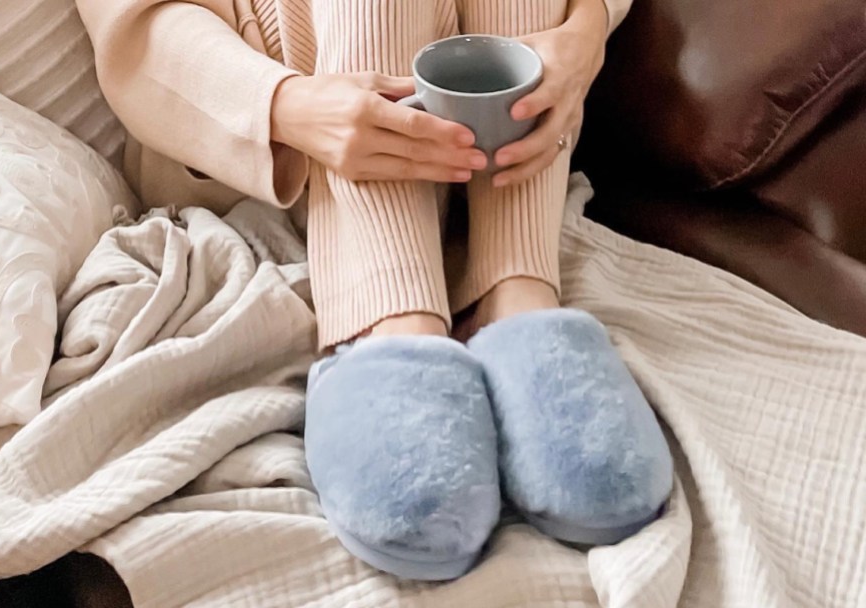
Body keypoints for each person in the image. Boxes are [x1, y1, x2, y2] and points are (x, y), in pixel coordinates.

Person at [77, 0, 673, 581]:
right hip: (273, 126)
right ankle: (387, 314)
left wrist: (583, 33)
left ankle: (514, 287)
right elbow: (137, 27)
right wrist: (286, 106)